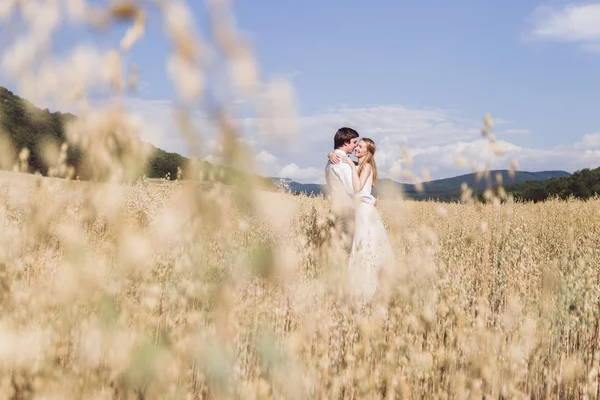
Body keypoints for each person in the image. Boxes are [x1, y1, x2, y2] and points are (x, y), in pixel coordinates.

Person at [328, 138, 393, 299]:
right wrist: (330, 154)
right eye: (356, 145)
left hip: (364, 211)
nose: (356, 147)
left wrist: (350, 165)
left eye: (360, 146)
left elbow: (357, 189)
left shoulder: (367, 166)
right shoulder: (357, 165)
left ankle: (368, 286)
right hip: (359, 209)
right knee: (359, 244)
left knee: (364, 245)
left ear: (367, 151)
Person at [324, 127, 375, 256]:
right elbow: (353, 190)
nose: (355, 147)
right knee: (346, 250)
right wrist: (370, 199)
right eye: (354, 143)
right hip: (345, 211)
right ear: (346, 142)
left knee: (337, 247)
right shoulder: (343, 163)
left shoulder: (331, 161)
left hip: (334, 209)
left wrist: (330, 154)